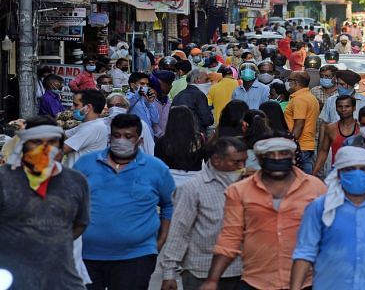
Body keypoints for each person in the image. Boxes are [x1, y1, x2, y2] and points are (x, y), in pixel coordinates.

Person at [200, 135, 327, 290]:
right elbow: (230, 236)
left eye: (283, 154)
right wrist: (213, 279)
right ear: (259, 159)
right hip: (256, 282)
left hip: (305, 282)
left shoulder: (315, 188)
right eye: (270, 155)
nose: (277, 159)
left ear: (293, 157)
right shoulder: (240, 191)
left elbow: (327, 234)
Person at [74, 114, 176, 290]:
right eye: (117, 135)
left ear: (139, 140)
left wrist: (160, 241)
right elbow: (69, 201)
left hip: (136, 257)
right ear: (110, 137)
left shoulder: (156, 168)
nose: (121, 141)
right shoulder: (86, 164)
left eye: (128, 137)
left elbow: (168, 205)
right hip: (87, 256)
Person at [290, 146, 365, 290]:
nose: (357, 174)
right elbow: (305, 253)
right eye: (350, 169)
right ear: (339, 173)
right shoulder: (320, 208)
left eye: (364, 169)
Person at [0, 117, 90, 290]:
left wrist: (51, 239)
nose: (44, 148)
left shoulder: (76, 181)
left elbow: (80, 224)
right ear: (24, 144)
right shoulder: (4, 179)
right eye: (36, 141)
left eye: (52, 142)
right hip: (13, 280)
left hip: (63, 280)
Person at [160, 137, 248, 290]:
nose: (242, 167)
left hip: (242, 271)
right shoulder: (193, 188)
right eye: (236, 162)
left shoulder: (248, 186)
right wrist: (169, 272)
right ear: (216, 160)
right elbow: (179, 231)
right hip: (201, 271)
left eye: (244, 162)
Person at [155, 106, 206, 186]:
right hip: (195, 183)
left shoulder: (162, 142)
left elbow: (158, 167)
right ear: (191, 121)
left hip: (171, 184)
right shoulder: (200, 139)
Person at [314, 95, 359, 176]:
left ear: (354, 108)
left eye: (347, 106)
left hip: (358, 174)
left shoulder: (361, 128)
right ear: (336, 108)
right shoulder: (330, 128)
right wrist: (313, 174)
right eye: (340, 106)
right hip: (337, 174)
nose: (343, 109)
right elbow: (323, 151)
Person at [285, 71, 320, 174]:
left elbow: (299, 125)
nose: (287, 83)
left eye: (289, 80)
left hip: (300, 146)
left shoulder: (300, 99)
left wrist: (291, 144)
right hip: (305, 145)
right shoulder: (308, 96)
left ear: (296, 82)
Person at [63, 89, 109, 167]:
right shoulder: (89, 124)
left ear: (87, 107)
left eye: (76, 105)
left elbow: (63, 149)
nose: (72, 108)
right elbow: (64, 134)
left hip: (78, 176)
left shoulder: (92, 128)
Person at [172, 69, 214, 134]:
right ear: (197, 80)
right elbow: (207, 120)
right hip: (195, 134)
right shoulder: (199, 95)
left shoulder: (178, 95)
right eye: (206, 79)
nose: (209, 82)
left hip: (178, 134)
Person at [151, 70, 176, 138]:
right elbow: (153, 124)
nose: (171, 87)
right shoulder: (150, 101)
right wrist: (161, 136)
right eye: (169, 84)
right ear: (159, 83)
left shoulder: (166, 99)